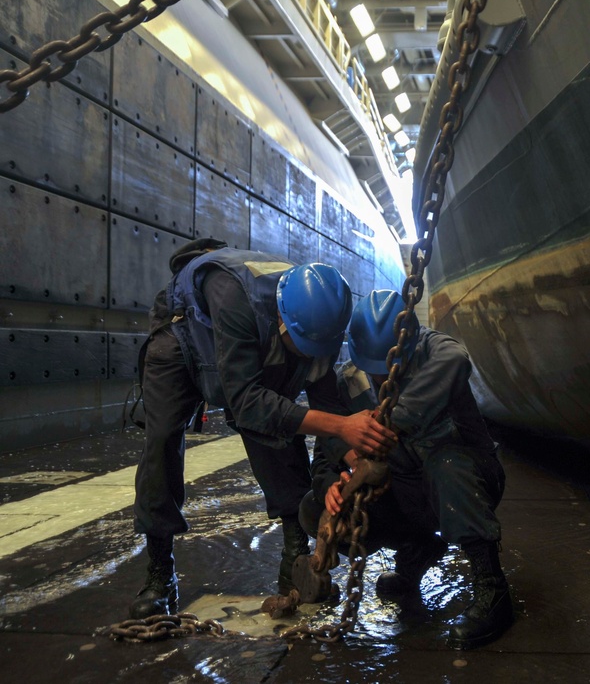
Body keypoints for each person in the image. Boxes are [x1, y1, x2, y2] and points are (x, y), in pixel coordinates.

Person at [129, 239, 397, 619]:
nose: (307, 357)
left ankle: (294, 558)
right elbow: (247, 404)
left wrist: (351, 461)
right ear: (283, 318)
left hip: (252, 334)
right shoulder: (236, 300)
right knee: (162, 443)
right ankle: (159, 574)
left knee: (281, 419)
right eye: (301, 346)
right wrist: (342, 426)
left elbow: (323, 406)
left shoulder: (320, 318)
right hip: (184, 336)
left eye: (315, 350)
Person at [297, 289, 513, 649]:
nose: (383, 380)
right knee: (312, 508)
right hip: (407, 493)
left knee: (447, 466)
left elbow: (457, 359)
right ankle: (416, 549)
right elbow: (327, 450)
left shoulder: (436, 351)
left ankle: (492, 588)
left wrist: (391, 422)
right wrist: (332, 483)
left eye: (390, 368)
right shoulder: (347, 381)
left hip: (465, 483)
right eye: (374, 369)